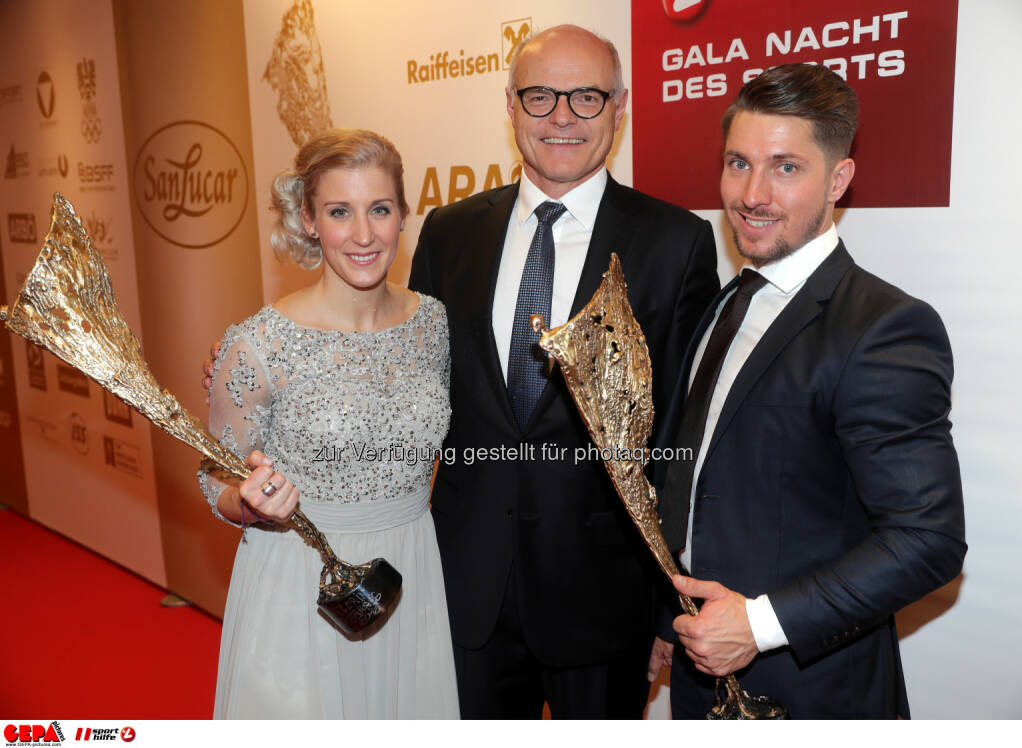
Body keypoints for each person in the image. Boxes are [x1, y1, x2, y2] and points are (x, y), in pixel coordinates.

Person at [407, 25, 719, 718]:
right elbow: (413, 387)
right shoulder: (448, 232)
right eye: (541, 95)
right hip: (468, 588)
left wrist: (670, 598)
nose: (562, 117)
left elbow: (681, 436)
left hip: (605, 597)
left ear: (620, 107)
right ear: (510, 106)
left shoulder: (676, 243)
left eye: (586, 97)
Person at [651, 64, 967, 719]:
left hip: (814, 692)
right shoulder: (724, 303)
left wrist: (760, 626)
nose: (752, 193)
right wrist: (666, 619)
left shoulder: (883, 326)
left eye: (785, 167)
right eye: (737, 163)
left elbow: (927, 539)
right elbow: (696, 479)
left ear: (839, 179)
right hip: (698, 671)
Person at [199, 129, 459, 719]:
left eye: (380, 210)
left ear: (402, 215)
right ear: (310, 221)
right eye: (340, 212)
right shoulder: (258, 342)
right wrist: (246, 502)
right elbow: (212, 476)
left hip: (412, 572)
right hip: (300, 579)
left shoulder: (434, 324)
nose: (364, 235)